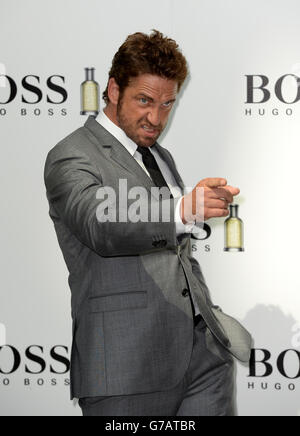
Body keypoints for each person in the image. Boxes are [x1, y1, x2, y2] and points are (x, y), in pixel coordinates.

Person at [44, 30, 252, 416]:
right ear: (112, 89)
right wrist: (181, 210)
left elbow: (176, 255)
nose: (156, 118)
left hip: (203, 362)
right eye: (144, 100)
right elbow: (100, 225)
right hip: (127, 366)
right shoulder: (71, 156)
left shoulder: (159, 155)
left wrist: (210, 327)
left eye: (167, 104)